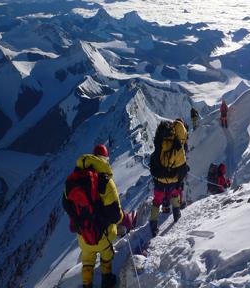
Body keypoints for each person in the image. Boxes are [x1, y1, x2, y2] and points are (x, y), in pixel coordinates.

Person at [62, 144, 135, 288]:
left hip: (83, 234)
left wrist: (77, 220)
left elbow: (66, 204)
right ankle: (107, 280)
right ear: (105, 160)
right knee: (106, 255)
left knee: (87, 259)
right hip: (103, 234)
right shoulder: (105, 182)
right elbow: (115, 215)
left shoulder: (74, 179)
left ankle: (86, 284)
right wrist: (126, 219)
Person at [149, 119, 189, 236]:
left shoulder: (159, 143)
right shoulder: (178, 146)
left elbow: (154, 162)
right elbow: (182, 168)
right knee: (175, 193)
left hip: (159, 179)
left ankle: (153, 224)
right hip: (173, 179)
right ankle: (176, 213)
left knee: (157, 201)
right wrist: (179, 180)